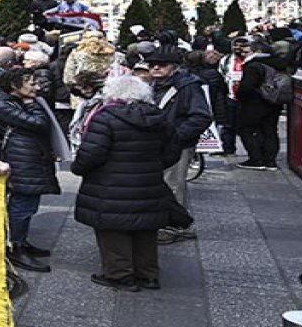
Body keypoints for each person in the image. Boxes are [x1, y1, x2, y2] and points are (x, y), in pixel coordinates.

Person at [71, 76, 175, 292]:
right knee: (145, 230)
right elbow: (173, 150)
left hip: (109, 183)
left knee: (113, 229)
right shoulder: (158, 117)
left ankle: (120, 275)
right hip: (148, 182)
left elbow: (92, 153)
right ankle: (148, 275)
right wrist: (152, 166)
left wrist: (78, 169)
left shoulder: (106, 117)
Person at [0, 68, 62, 273]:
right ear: (15, 86)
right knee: (21, 204)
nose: (37, 87)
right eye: (31, 83)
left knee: (27, 203)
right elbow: (39, 123)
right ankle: (14, 247)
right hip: (20, 158)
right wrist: (31, 104)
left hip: (29, 155)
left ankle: (21, 242)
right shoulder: (3, 105)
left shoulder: (12, 100)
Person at [145, 49, 212, 244]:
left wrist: (177, 136)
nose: (155, 67)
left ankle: (174, 227)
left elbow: (201, 116)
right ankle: (172, 222)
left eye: (162, 64)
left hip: (178, 145)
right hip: (157, 143)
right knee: (161, 184)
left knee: (173, 185)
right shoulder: (154, 85)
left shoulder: (187, 86)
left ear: (173, 67)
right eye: (151, 65)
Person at [234, 41, 287, 170]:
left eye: (246, 52)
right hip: (274, 102)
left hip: (255, 103)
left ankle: (256, 159)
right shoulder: (278, 63)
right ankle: (270, 161)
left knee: (246, 129)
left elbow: (246, 88)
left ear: (257, 52)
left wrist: (240, 95)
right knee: (270, 130)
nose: (243, 54)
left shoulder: (253, 66)